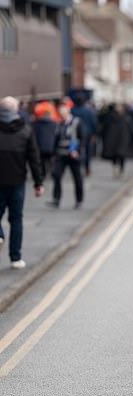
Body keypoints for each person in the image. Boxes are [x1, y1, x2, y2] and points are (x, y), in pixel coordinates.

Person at [0, 96, 44, 269]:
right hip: (18, 182)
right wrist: (38, 182)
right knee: (16, 219)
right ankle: (15, 258)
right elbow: (34, 159)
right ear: (16, 110)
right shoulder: (25, 130)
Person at [48, 103, 84, 209]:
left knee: (77, 178)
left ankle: (79, 200)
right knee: (57, 176)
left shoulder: (77, 122)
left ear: (68, 112)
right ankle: (56, 199)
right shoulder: (59, 124)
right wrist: (53, 154)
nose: (62, 116)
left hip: (73, 155)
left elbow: (82, 139)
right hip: (61, 155)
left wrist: (77, 151)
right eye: (60, 114)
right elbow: (56, 140)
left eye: (63, 113)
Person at [100, 104, 133, 178]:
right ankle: (121, 171)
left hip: (112, 140)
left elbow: (104, 129)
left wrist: (103, 137)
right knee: (122, 156)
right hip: (123, 140)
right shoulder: (127, 118)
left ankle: (115, 169)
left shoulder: (110, 118)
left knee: (114, 156)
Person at [71, 93, 97, 176]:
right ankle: (87, 169)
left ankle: (78, 167)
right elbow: (94, 123)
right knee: (87, 151)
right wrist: (94, 134)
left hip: (75, 134)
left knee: (76, 150)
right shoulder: (89, 111)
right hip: (87, 133)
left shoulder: (72, 110)